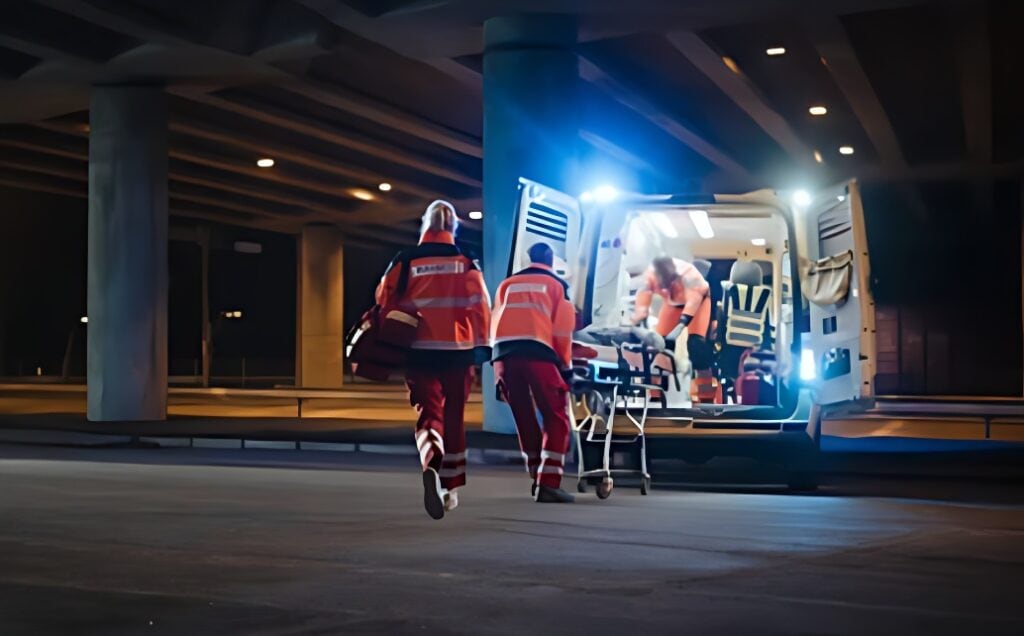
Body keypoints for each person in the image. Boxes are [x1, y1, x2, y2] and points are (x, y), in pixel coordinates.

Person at [375, 200, 491, 520]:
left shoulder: (406, 260)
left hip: (418, 350)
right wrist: (484, 345)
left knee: (429, 414)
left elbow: (383, 298)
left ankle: (431, 463)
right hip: (458, 350)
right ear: (454, 227)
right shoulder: (464, 260)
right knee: (454, 417)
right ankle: (450, 487)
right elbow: (480, 304)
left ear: (425, 224)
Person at [490, 242, 577, 503]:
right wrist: (566, 368)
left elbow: (494, 320)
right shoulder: (557, 286)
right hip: (537, 354)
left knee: (524, 417)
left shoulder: (506, 284)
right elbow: (562, 333)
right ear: (551, 261)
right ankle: (548, 483)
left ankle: (535, 475)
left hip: (504, 355)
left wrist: (496, 367)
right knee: (556, 415)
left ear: (529, 258)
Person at [631, 255, 713, 373]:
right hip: (672, 303)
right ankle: (665, 376)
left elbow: (693, 303)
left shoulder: (690, 276)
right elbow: (644, 296)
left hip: (699, 302)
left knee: (695, 344)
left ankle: (703, 384)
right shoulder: (651, 275)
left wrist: (679, 328)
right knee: (660, 343)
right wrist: (641, 320)